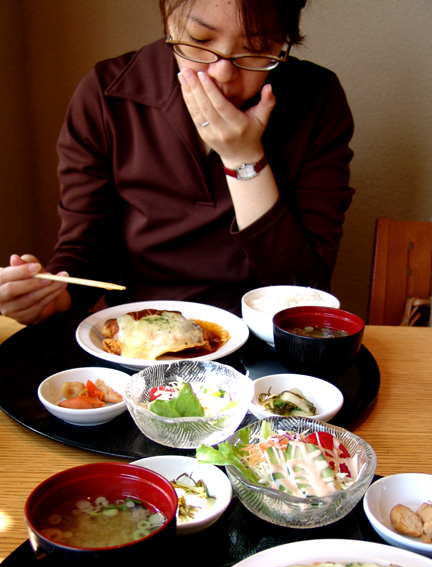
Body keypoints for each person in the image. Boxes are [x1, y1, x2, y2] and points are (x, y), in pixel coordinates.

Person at [0, 0, 354, 325]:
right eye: (200, 40)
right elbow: (85, 252)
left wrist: (243, 159)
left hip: (263, 340)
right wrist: (51, 298)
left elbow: (304, 289)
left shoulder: (317, 99)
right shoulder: (107, 94)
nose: (221, 74)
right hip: (138, 333)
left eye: (256, 49)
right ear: (168, 14)